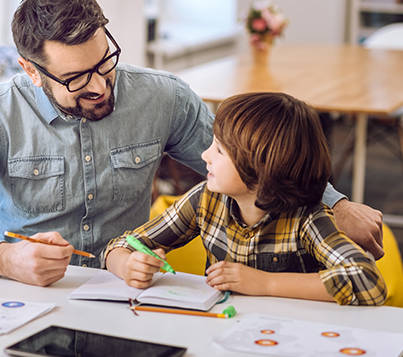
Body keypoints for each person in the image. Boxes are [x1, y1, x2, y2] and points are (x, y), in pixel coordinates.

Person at [0, 0, 384, 287]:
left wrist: (337, 203)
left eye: (104, 63)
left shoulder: (163, 97)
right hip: (31, 297)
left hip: (129, 295)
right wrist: (3, 258)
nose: (97, 86)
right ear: (31, 71)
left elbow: (253, 162)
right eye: (74, 79)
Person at [104, 92, 387, 305]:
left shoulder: (308, 218)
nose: (204, 155)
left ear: (260, 170)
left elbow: (369, 282)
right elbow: (122, 244)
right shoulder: (204, 201)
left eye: (219, 151)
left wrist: (265, 283)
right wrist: (126, 265)